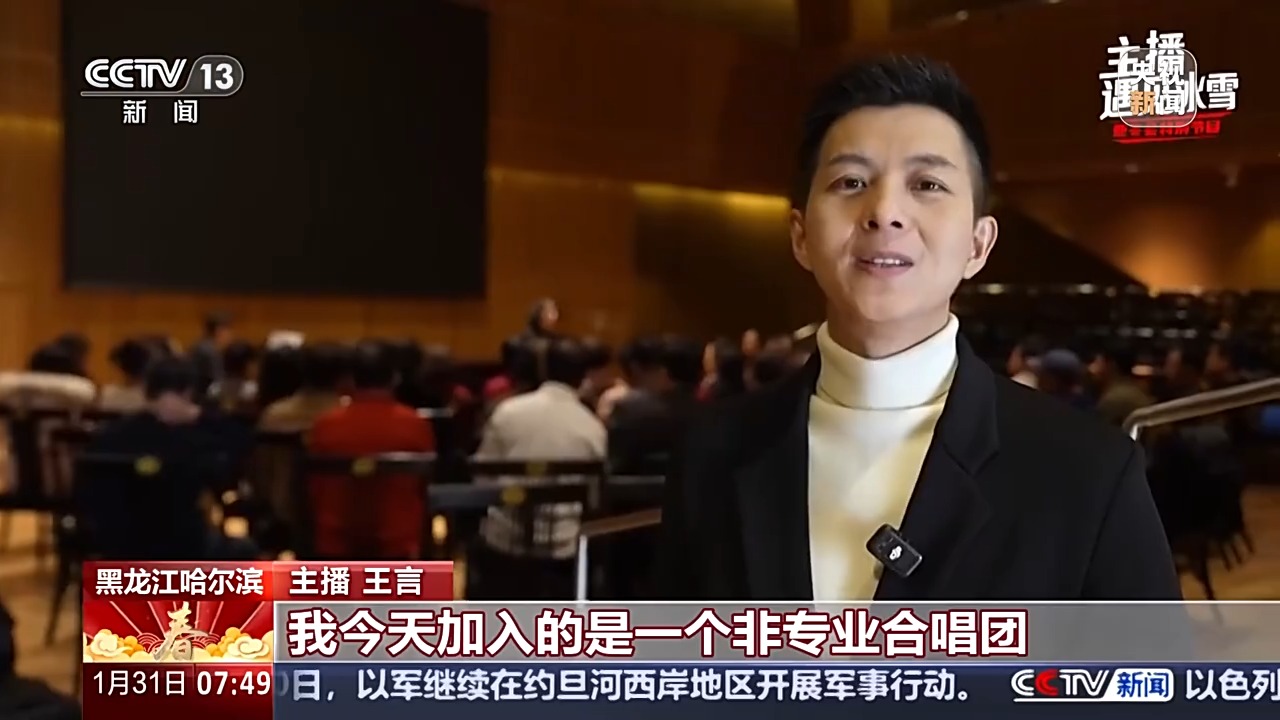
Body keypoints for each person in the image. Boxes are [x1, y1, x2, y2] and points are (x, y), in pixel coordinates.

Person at [658, 56, 1180, 601]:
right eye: (851, 181)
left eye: (927, 183)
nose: (885, 211)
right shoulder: (712, 452)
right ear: (800, 235)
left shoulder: (1087, 471)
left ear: (978, 244)